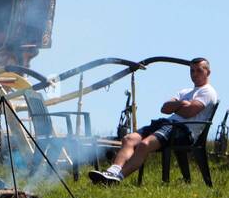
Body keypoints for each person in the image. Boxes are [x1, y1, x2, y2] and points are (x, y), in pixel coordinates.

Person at [89, 58, 218, 185]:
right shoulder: (185, 91)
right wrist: (183, 104)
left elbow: (190, 112)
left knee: (144, 145)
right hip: (165, 123)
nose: (194, 74)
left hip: (182, 130)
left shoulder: (208, 91)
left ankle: (118, 178)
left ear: (208, 72)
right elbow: (164, 108)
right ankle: (112, 171)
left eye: (198, 71)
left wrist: (177, 106)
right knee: (129, 139)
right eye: (192, 71)